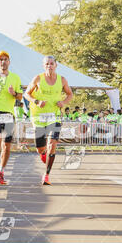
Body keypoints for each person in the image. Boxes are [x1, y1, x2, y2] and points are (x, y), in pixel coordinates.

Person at [24, 56, 73, 185]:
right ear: (43, 66)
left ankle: (46, 174)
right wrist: (36, 101)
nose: (49, 66)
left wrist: (63, 102)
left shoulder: (62, 80)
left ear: (56, 65)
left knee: (52, 143)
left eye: (52, 63)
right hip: (39, 117)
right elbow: (26, 94)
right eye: (47, 64)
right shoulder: (38, 78)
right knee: (40, 149)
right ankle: (45, 156)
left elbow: (70, 94)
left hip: (54, 116)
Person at [0, 50, 23, 186]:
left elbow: (20, 96)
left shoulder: (15, 77)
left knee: (7, 146)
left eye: (5, 59)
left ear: (9, 62)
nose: (3, 62)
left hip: (8, 113)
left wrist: (14, 93)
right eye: (0, 59)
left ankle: (1, 171)